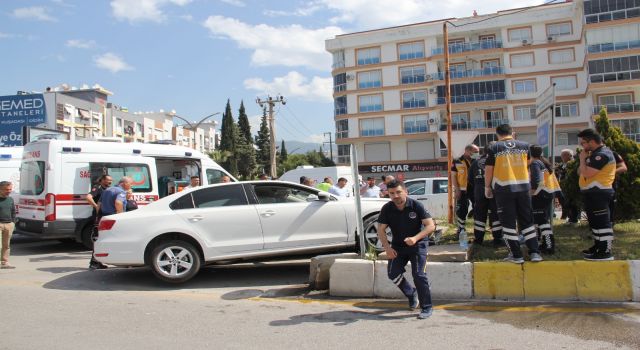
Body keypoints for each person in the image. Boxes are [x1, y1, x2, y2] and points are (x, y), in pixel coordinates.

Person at [377, 180, 436, 319]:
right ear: (388, 194)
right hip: (398, 246)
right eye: (392, 193)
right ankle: (411, 293)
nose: (395, 195)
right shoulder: (387, 208)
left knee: (419, 275)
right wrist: (387, 248)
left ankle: (427, 307)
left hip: (418, 245)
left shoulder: (416, 206)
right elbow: (381, 229)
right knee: (393, 273)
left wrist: (415, 238)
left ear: (405, 191)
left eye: (398, 192)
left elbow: (430, 226)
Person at [485, 124, 542, 264]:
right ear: (512, 132)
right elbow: (527, 164)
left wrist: (487, 187)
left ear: (497, 134)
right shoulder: (525, 146)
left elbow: (489, 169)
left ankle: (516, 255)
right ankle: (535, 253)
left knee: (508, 223)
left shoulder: (494, 147)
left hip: (504, 189)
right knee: (527, 221)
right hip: (523, 188)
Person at [577, 128, 616, 261]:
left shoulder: (602, 154)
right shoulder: (594, 154)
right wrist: (584, 161)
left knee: (602, 222)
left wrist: (582, 159)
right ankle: (598, 246)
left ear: (592, 142)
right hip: (592, 193)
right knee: (595, 222)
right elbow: (580, 172)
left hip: (599, 192)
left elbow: (587, 173)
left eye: (583, 143)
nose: (582, 146)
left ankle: (606, 251)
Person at [90, 177, 133, 270]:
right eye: (130, 183)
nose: (131, 186)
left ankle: (94, 263)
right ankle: (124, 262)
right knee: (121, 240)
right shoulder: (121, 192)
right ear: (123, 183)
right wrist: (121, 217)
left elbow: (99, 205)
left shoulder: (107, 190)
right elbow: (118, 203)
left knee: (101, 240)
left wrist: (98, 217)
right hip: (114, 218)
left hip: (104, 218)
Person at [468, 142, 503, 248]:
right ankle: (498, 239)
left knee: (479, 216)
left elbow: (470, 179)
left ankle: (478, 240)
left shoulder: (475, 162)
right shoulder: (497, 161)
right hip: (493, 191)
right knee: (496, 215)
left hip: (479, 192)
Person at [529, 145, 561, 255]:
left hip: (541, 195)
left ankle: (549, 246)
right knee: (541, 221)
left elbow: (538, 182)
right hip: (547, 194)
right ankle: (545, 243)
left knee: (542, 222)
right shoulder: (543, 162)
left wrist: (532, 193)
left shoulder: (535, 163)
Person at [451, 144, 479, 243]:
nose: (477, 153)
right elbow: (453, 176)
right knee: (462, 210)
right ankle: (461, 229)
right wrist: (457, 189)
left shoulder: (477, 160)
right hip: (462, 190)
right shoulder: (457, 161)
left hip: (475, 189)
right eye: (475, 151)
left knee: (478, 209)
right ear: (467, 151)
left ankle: (478, 231)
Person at [86, 174, 112, 270]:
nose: (110, 182)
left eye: (111, 180)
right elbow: (88, 197)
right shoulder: (97, 188)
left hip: (105, 216)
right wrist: (96, 206)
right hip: (98, 217)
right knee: (97, 238)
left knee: (103, 239)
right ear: (102, 180)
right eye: (108, 180)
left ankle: (98, 262)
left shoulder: (108, 189)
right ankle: (93, 263)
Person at [555, 149, 579, 225]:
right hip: (563, 187)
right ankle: (568, 217)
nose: (562, 157)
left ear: (570, 155)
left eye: (564, 155)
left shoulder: (574, 163)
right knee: (564, 203)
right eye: (562, 155)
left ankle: (574, 219)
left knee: (572, 203)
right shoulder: (562, 164)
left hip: (572, 187)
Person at [0, 181, 16, 269]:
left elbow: (13, 211)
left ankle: (4, 262)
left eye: (10, 189)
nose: (9, 191)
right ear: (0, 189)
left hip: (9, 224)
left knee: (6, 245)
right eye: (6, 189)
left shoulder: (10, 199)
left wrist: (13, 222)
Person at [610, 151, 627, 227]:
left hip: (609, 185)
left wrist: (609, 173)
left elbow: (623, 167)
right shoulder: (589, 153)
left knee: (610, 206)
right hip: (592, 186)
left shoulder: (613, 154)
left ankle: (609, 226)